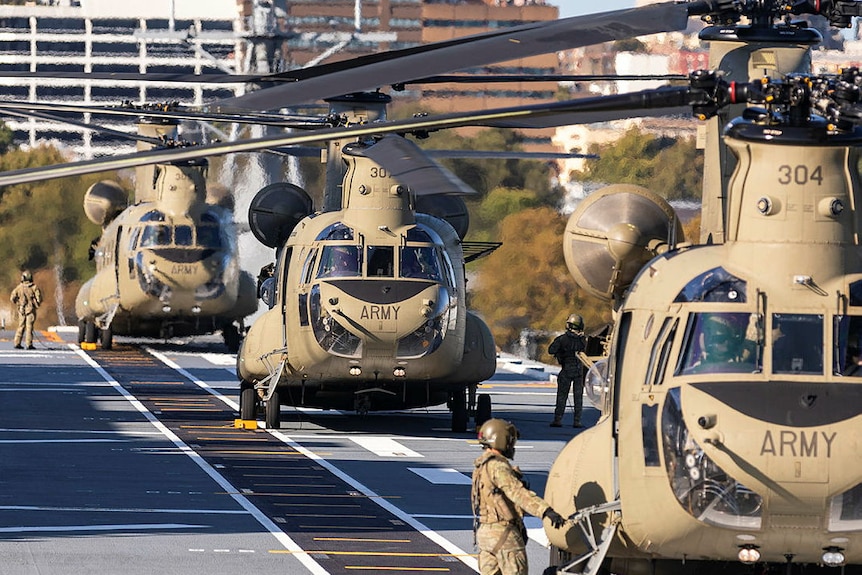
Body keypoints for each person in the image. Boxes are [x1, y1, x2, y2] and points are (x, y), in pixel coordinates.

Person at [471, 418, 565, 575]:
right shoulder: (498, 466)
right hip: (504, 534)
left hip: (484, 533)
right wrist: (545, 511)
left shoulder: (480, 467)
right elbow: (517, 493)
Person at [548, 313, 587, 427]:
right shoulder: (584, 340)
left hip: (566, 371)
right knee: (578, 398)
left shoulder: (562, 339)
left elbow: (551, 350)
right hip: (579, 372)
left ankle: (558, 419)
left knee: (561, 397)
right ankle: (577, 421)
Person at [10, 270, 42, 350]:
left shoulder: (18, 288)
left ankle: (17, 343)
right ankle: (29, 344)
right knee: (29, 328)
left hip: (21, 310)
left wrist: (18, 303)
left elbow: (12, 298)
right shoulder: (34, 288)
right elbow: (39, 299)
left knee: (20, 326)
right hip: (30, 310)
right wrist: (36, 303)